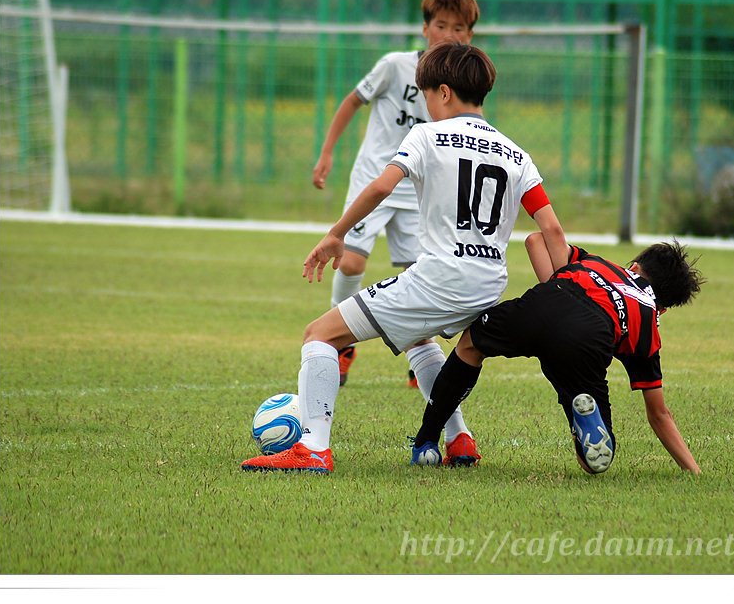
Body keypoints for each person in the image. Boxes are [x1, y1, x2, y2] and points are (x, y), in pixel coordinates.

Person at [241, 42, 568, 474]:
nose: (426, 105)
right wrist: (568, 293)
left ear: (444, 93)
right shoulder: (516, 154)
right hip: (488, 285)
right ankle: (459, 438)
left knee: (319, 335)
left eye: (427, 95)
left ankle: (313, 449)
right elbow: (552, 230)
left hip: (439, 279)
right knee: (419, 338)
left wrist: (337, 234)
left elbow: (382, 186)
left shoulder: (426, 135)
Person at [410, 233, 704, 475]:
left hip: (551, 298)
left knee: (471, 346)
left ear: (634, 268)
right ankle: (587, 424)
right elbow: (658, 414)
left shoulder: (599, 263)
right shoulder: (648, 322)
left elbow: (535, 240)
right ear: (663, 308)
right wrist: (694, 470)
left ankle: (426, 442)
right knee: (592, 462)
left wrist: (556, 286)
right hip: (589, 339)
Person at [311, 0, 480, 389]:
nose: (449, 35)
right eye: (441, 25)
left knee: (419, 275)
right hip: (375, 178)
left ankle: (420, 355)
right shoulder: (395, 65)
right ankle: (341, 344)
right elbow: (352, 101)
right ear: (425, 29)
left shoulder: (460, 85)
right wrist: (327, 152)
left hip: (418, 190)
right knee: (351, 263)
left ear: (470, 36)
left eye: (459, 28)